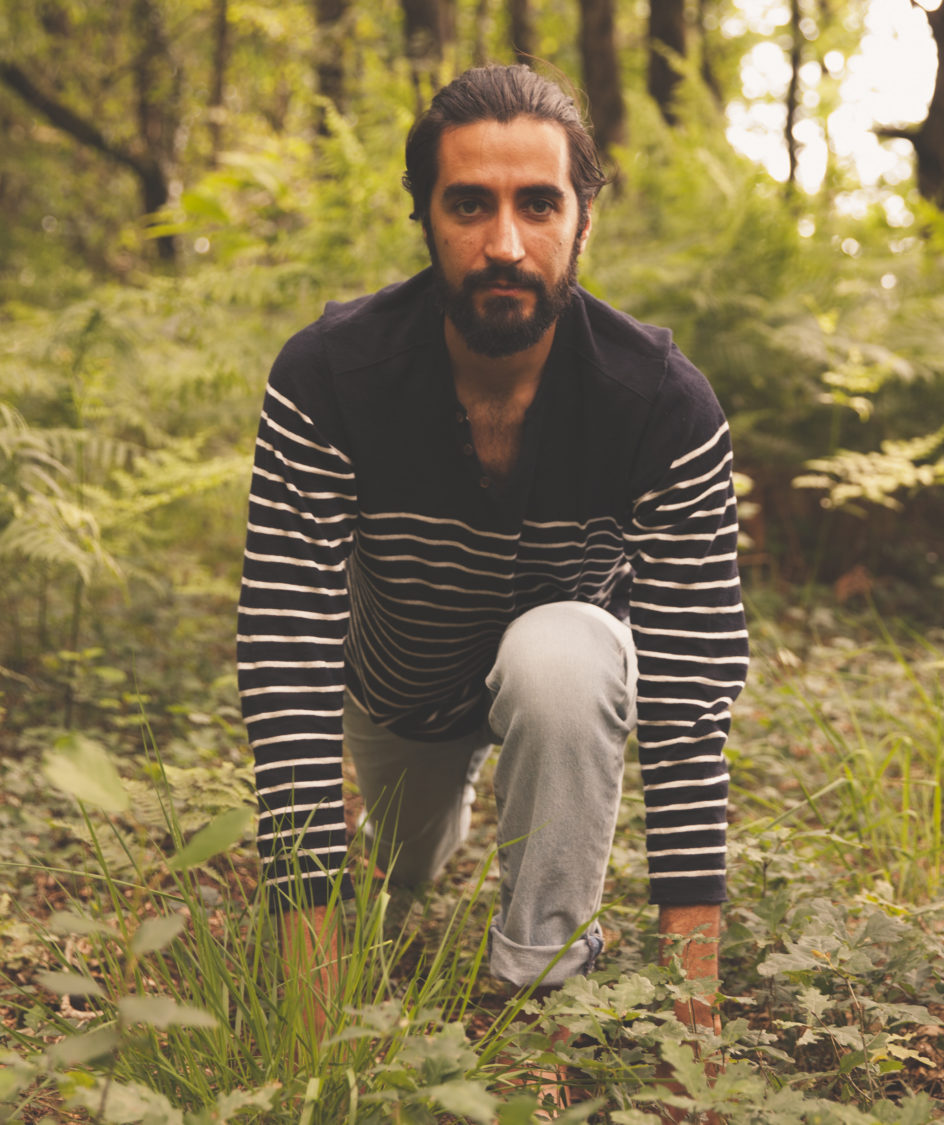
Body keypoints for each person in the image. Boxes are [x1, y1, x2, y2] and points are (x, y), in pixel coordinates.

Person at [236, 64, 747, 1038]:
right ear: (424, 217)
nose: (503, 244)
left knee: (566, 656)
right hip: (399, 695)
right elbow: (287, 652)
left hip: (557, 660)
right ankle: (410, 846)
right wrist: (311, 996)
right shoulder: (329, 377)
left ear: (583, 219)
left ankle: (538, 993)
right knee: (405, 866)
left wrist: (696, 1028)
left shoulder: (661, 407)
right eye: (469, 205)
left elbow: (688, 698)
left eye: (537, 205)